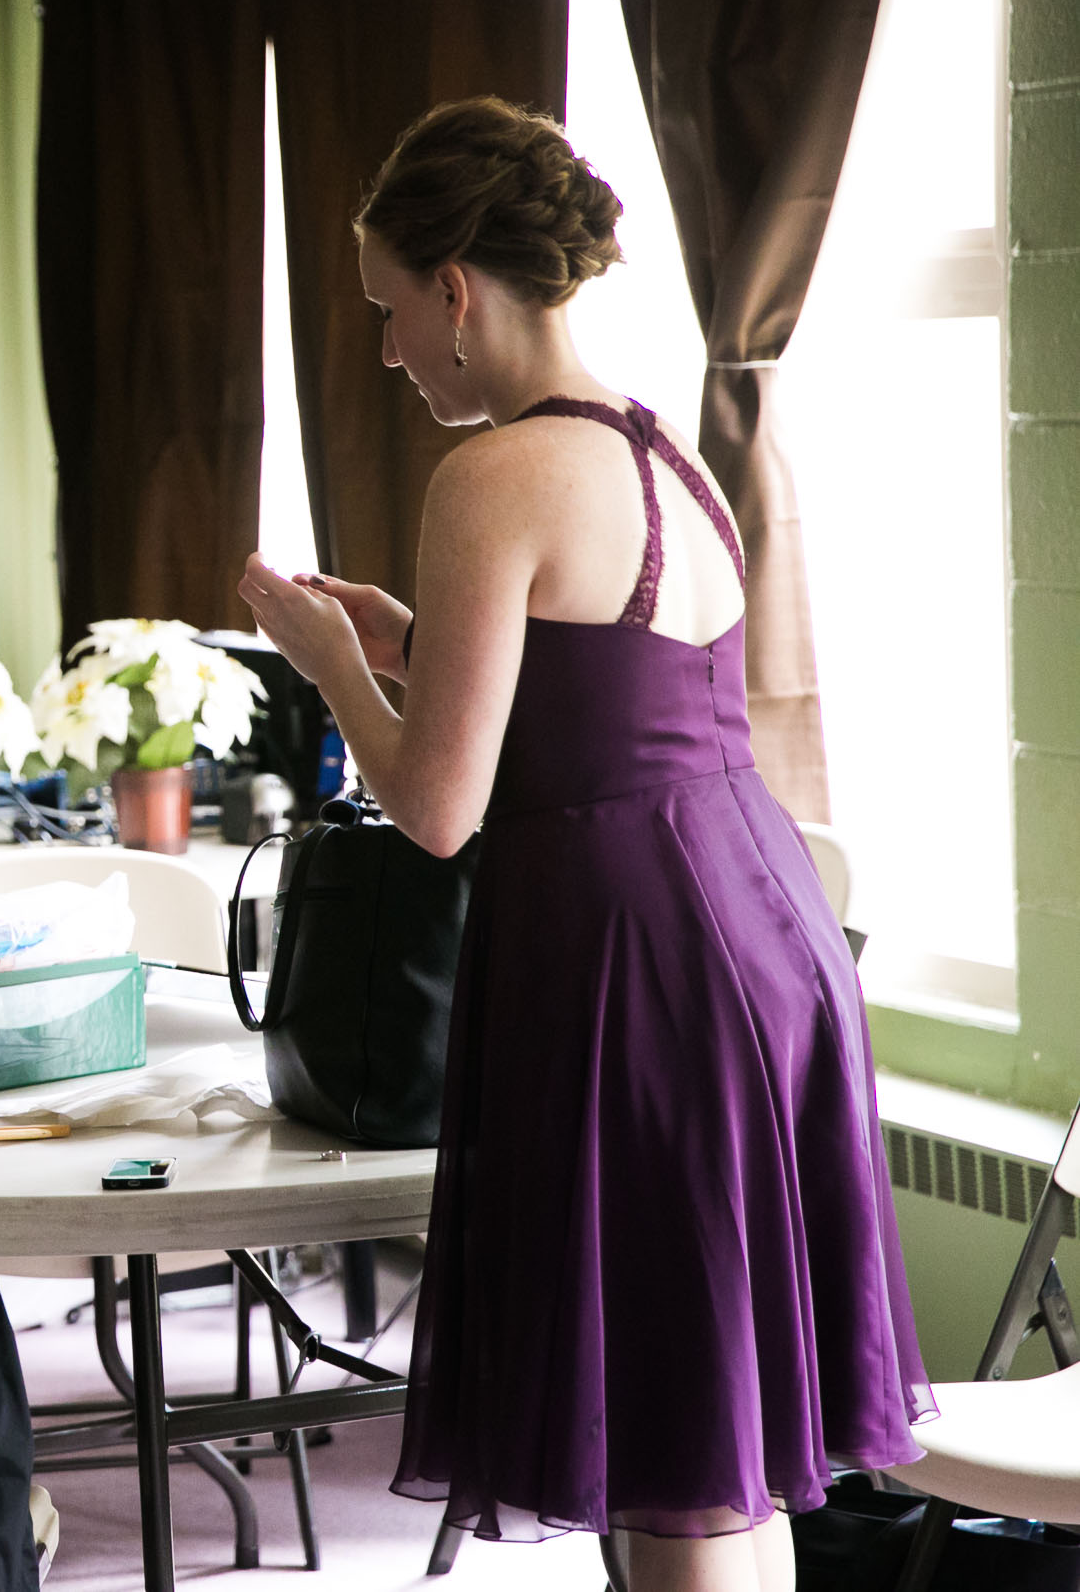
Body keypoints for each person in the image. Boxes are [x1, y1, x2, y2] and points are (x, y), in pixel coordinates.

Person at [235, 98, 929, 1592]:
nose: (386, 348)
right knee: (722, 1421)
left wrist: (325, 664)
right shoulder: (662, 451)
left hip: (637, 969)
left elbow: (436, 808)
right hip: (763, 938)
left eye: (385, 309)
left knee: (671, 1429)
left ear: (457, 290)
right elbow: (604, 699)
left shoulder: (488, 476)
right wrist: (415, 643)